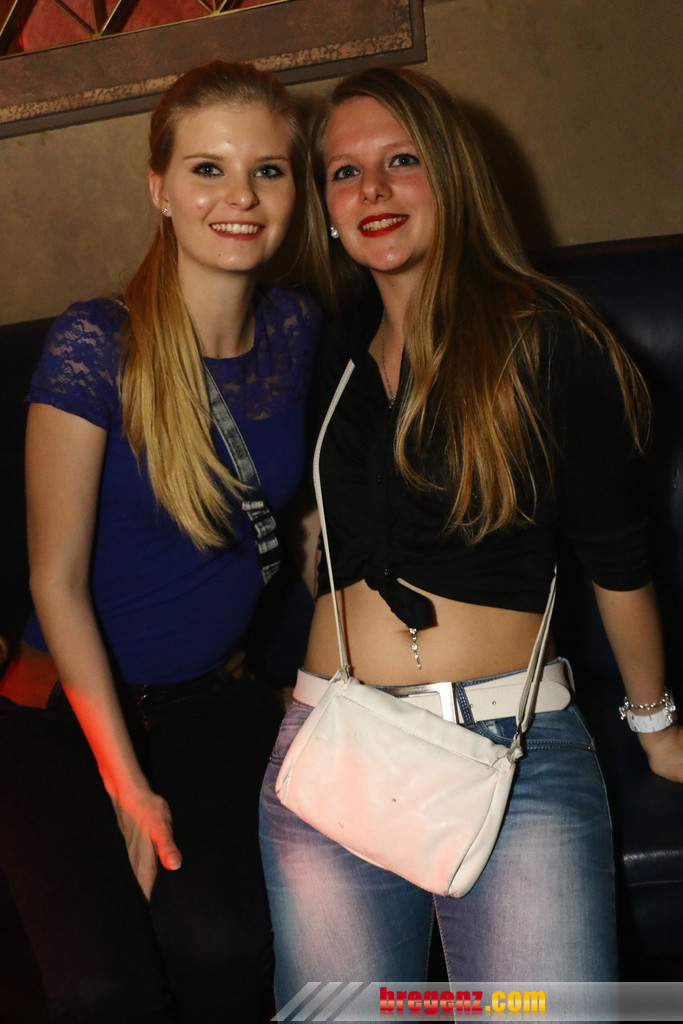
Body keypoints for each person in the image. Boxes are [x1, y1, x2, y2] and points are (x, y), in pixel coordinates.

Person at [259, 66, 683, 998]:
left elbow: (617, 558)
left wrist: (655, 726)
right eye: (344, 172)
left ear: (449, 175)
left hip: (511, 748)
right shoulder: (330, 348)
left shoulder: (547, 336)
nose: (372, 189)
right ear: (326, 209)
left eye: (401, 160)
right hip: (332, 742)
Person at [0, 61, 321, 1023]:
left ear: (295, 188)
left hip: (211, 705)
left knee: (225, 950)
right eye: (207, 169)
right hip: (61, 711)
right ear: (160, 189)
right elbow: (54, 583)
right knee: (103, 990)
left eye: (267, 170)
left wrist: (309, 544)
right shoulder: (95, 344)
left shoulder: (298, 331)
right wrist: (125, 783)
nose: (239, 197)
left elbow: (294, 499)